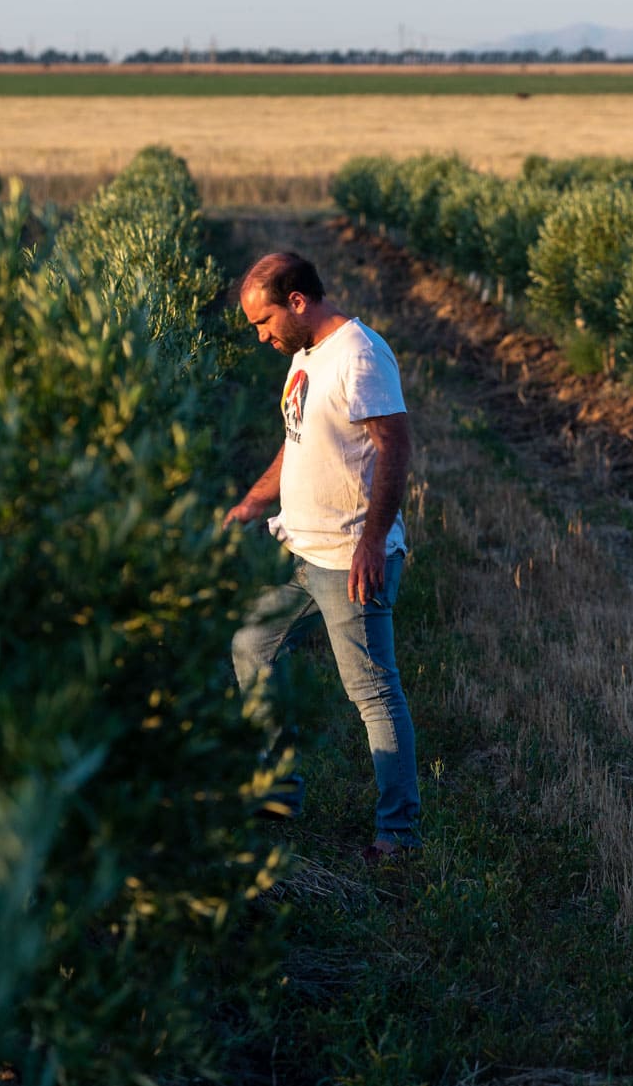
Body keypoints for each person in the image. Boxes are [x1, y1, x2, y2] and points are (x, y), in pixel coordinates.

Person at [225, 251, 421, 863]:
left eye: (265, 323)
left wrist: (371, 543)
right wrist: (251, 506)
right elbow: (296, 442)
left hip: (347, 558)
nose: (262, 337)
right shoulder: (305, 357)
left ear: (298, 302)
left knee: (371, 692)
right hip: (298, 550)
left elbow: (395, 448)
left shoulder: (359, 354)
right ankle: (278, 789)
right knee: (252, 646)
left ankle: (398, 835)